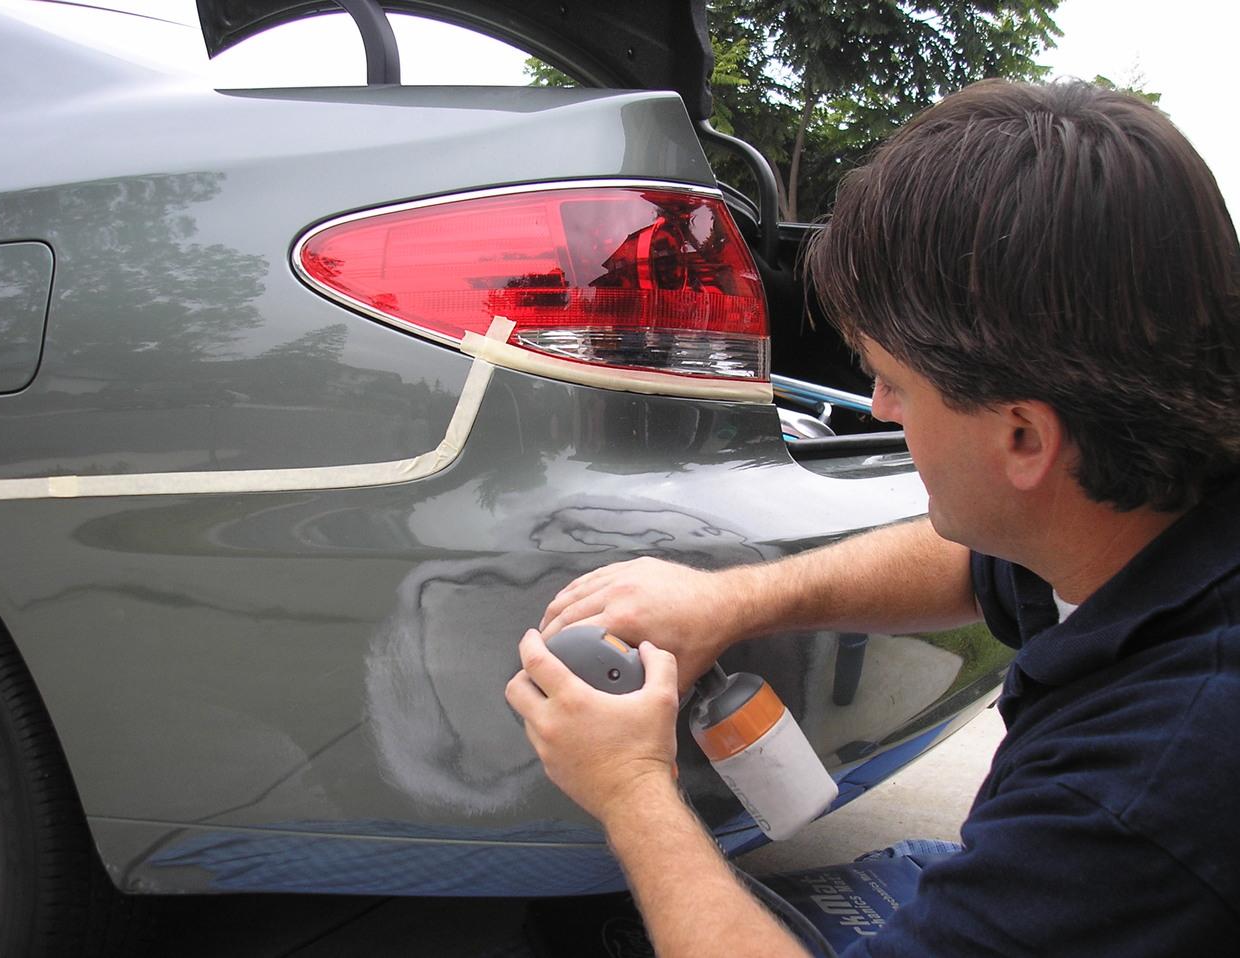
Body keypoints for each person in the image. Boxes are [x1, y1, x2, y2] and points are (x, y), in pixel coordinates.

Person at [504, 78, 1240, 956]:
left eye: (894, 380)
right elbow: (978, 563)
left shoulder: (1141, 791)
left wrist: (630, 788)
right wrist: (732, 603)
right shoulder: (1152, 507)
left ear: (1023, 437)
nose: (880, 407)